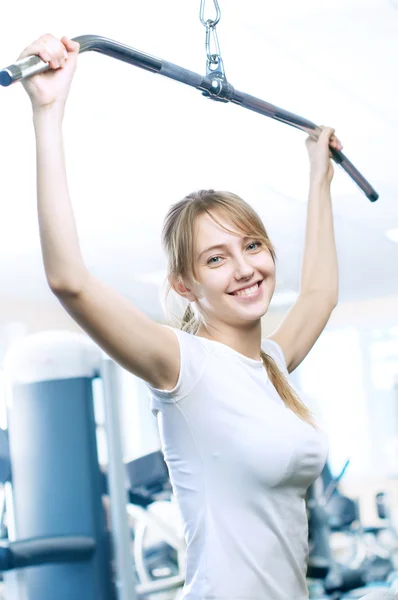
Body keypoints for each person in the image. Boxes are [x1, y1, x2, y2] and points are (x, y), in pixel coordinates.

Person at [18, 33, 345, 600]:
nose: (245, 269)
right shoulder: (183, 366)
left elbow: (319, 294)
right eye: (216, 259)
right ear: (184, 285)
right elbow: (69, 281)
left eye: (253, 246)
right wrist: (48, 113)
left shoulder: (270, 364)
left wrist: (318, 175)